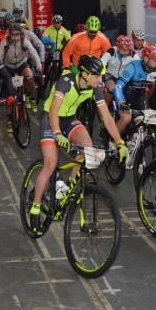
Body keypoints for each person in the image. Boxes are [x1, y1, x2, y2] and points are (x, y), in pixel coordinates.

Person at [28, 55, 126, 229]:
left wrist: (119, 142)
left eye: (101, 76)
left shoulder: (94, 88)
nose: (100, 80)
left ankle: (68, 188)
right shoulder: (66, 81)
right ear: (84, 74)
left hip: (69, 119)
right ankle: (35, 207)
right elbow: (54, 110)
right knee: (51, 164)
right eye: (97, 76)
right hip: (51, 119)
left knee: (87, 149)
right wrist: (57, 133)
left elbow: (107, 118)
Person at [112, 44, 156, 135]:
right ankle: (114, 142)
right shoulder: (133, 66)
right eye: (155, 60)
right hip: (125, 95)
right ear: (146, 58)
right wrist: (121, 102)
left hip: (141, 96)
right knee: (126, 118)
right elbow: (118, 86)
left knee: (146, 121)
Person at [0, 25, 43, 108]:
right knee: (7, 90)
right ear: (9, 35)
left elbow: (34, 53)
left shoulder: (24, 41)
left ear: (21, 35)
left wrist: (39, 66)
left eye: (17, 35)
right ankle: (9, 115)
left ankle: (29, 97)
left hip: (21, 63)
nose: (15, 38)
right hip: (8, 65)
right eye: (13, 35)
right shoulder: (4, 42)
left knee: (30, 78)